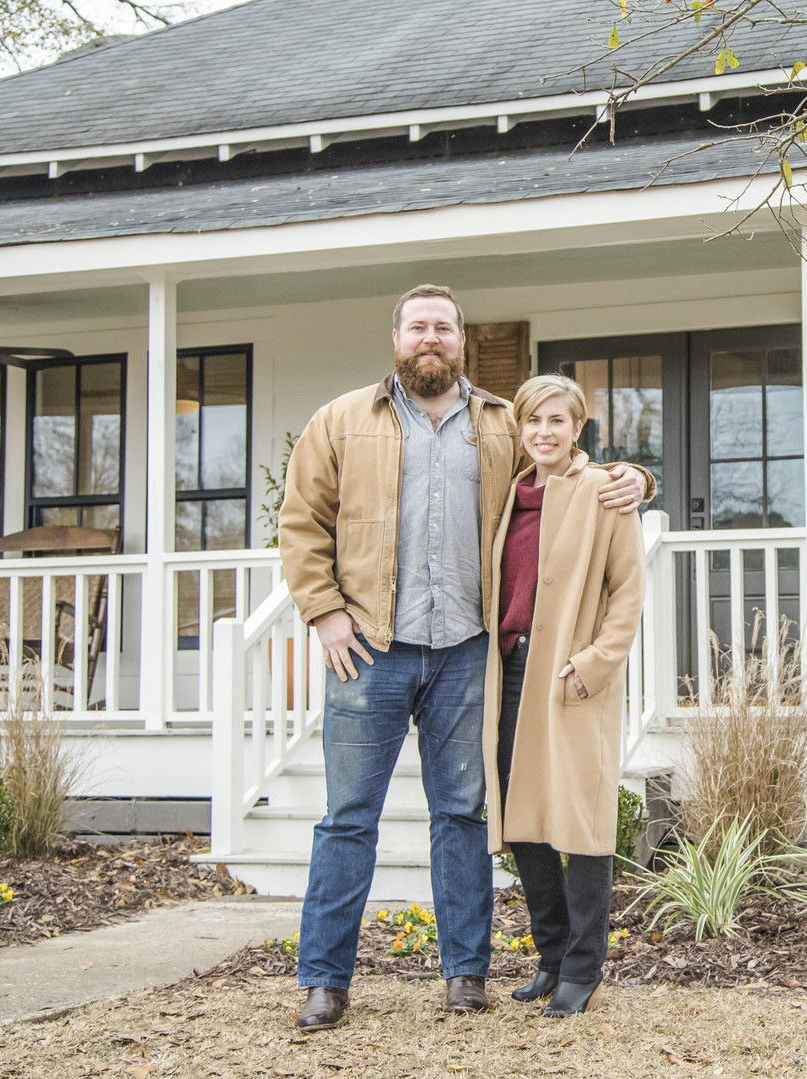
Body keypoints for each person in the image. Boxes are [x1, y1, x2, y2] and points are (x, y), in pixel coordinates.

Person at [277, 285, 650, 1031]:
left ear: (462, 340)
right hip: (370, 651)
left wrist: (636, 479)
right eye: (417, 326)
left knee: (462, 815)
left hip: (467, 653)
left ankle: (465, 974)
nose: (430, 338)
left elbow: (565, 461)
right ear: (395, 338)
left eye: (443, 327)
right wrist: (324, 614)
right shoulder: (343, 421)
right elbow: (301, 520)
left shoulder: (499, 424)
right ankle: (324, 980)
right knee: (348, 818)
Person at [486, 374, 644, 1017]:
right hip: (508, 672)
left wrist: (594, 665)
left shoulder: (605, 490)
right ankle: (550, 957)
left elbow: (627, 592)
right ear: (520, 430)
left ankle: (584, 967)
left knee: (579, 822)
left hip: (569, 675)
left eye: (558, 421)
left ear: (577, 429)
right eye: (533, 421)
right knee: (524, 822)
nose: (544, 432)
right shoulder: (507, 498)